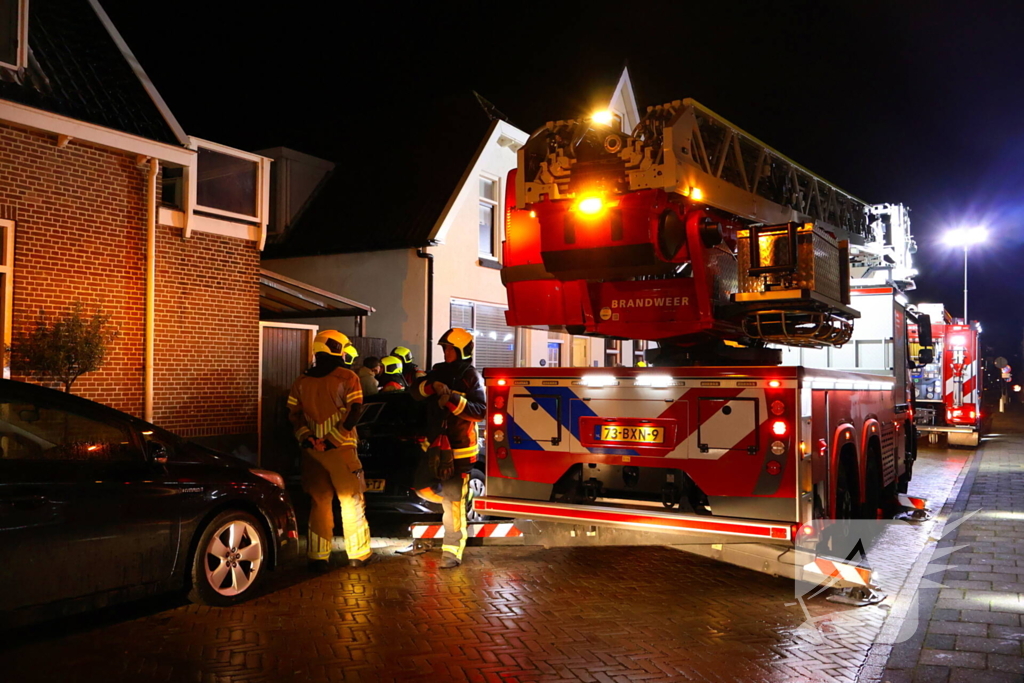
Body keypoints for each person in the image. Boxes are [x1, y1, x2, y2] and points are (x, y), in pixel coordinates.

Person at [287, 330, 381, 571]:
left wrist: (309, 439)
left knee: (319, 502)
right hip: (341, 451)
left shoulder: (301, 381)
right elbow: (355, 411)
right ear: (337, 349)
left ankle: (318, 557)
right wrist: (332, 440)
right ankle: (358, 555)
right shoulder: (347, 377)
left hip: (311, 453)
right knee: (352, 502)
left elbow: (294, 416)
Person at [410, 327, 486, 568]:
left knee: (452, 501)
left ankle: (452, 552)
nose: (446, 352)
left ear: (462, 350)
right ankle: (464, 497)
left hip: (459, 450)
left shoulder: (471, 376)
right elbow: (415, 392)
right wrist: (432, 387)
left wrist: (453, 399)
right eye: (444, 348)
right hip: (434, 447)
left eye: (450, 348)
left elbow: (480, 411)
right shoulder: (438, 371)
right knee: (422, 488)